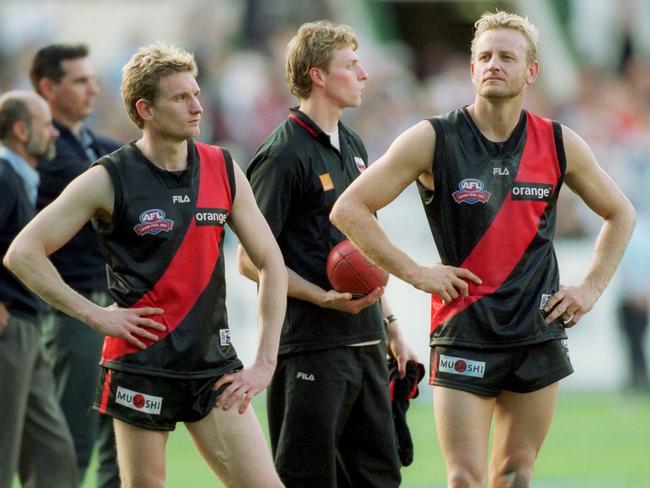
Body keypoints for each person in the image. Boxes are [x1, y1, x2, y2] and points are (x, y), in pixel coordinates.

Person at [331, 10, 636, 488]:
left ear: (530, 71)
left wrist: (591, 288)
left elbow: (622, 214)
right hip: (463, 331)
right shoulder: (433, 137)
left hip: (537, 331)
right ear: (472, 69)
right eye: (485, 57)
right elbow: (349, 209)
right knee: (464, 479)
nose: (494, 64)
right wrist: (416, 272)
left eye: (507, 57)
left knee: (515, 474)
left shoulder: (558, 143)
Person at [5, 43, 287, 487]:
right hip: (141, 366)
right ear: (145, 108)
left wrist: (264, 363)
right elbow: (22, 252)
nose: (197, 106)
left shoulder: (223, 167)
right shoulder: (108, 177)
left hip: (214, 369)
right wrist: (93, 314)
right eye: (180, 98)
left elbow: (271, 262)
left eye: (196, 94)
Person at [237, 21, 416, 487]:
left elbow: (367, 252)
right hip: (310, 349)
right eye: (351, 65)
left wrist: (393, 329)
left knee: (380, 479)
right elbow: (247, 260)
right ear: (318, 75)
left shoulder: (354, 146)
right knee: (307, 479)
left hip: (368, 346)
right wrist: (319, 296)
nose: (363, 74)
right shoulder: (281, 155)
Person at [30, 43, 121, 487]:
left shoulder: (104, 149)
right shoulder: (41, 157)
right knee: (70, 438)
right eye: (80, 81)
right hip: (75, 309)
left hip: (120, 312)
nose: (93, 89)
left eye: (93, 79)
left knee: (121, 437)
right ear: (49, 88)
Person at [0, 90, 77, 487]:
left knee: (53, 456)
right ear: (19, 130)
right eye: (45, 125)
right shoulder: (3, 176)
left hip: (26, 327)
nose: (53, 134)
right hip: (8, 328)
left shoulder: (20, 178)